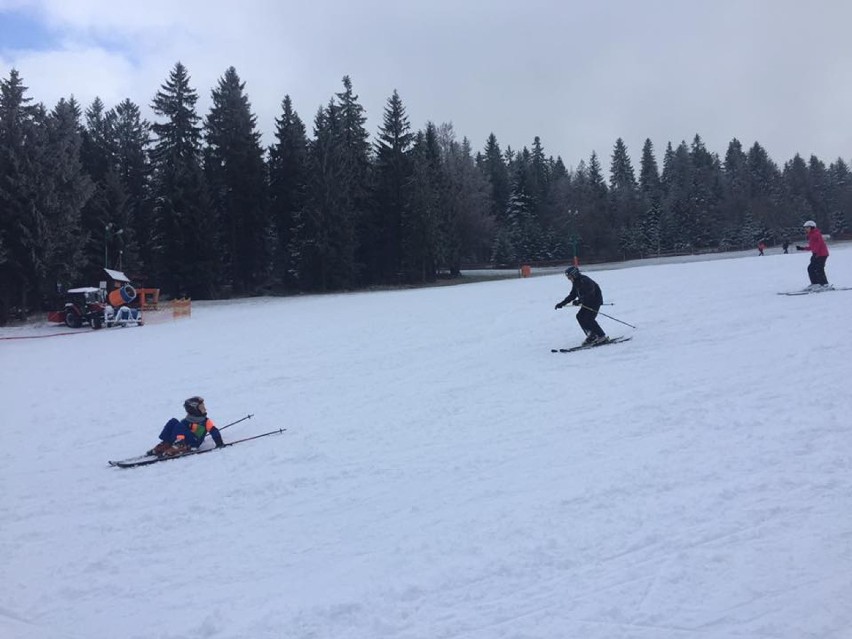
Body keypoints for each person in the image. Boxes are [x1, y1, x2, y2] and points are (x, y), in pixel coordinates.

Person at [147, 396, 225, 457]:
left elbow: (214, 431)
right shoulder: (187, 420)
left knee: (180, 425)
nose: (204, 408)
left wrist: (219, 444)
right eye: (201, 407)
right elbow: (178, 431)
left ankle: (181, 445)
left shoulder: (205, 421)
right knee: (173, 421)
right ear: (194, 410)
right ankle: (167, 443)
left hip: (194, 442)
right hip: (185, 439)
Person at [554, 265, 607, 345]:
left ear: (574, 275)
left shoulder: (585, 281)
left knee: (589, 318)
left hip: (595, 301)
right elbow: (572, 295)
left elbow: (590, 294)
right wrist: (562, 303)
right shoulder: (576, 282)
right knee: (580, 316)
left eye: (569, 277)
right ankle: (591, 335)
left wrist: (579, 301)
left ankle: (601, 336)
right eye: (568, 277)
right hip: (587, 302)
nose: (569, 279)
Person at [795, 220, 830, 288]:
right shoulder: (811, 235)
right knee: (811, 268)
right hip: (817, 254)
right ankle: (815, 284)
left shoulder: (816, 234)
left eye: (807, 227)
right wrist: (802, 248)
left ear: (812, 227)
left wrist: (815, 254)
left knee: (819, 268)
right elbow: (812, 247)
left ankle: (824, 284)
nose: (806, 229)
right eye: (805, 228)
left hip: (822, 254)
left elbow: (818, 244)